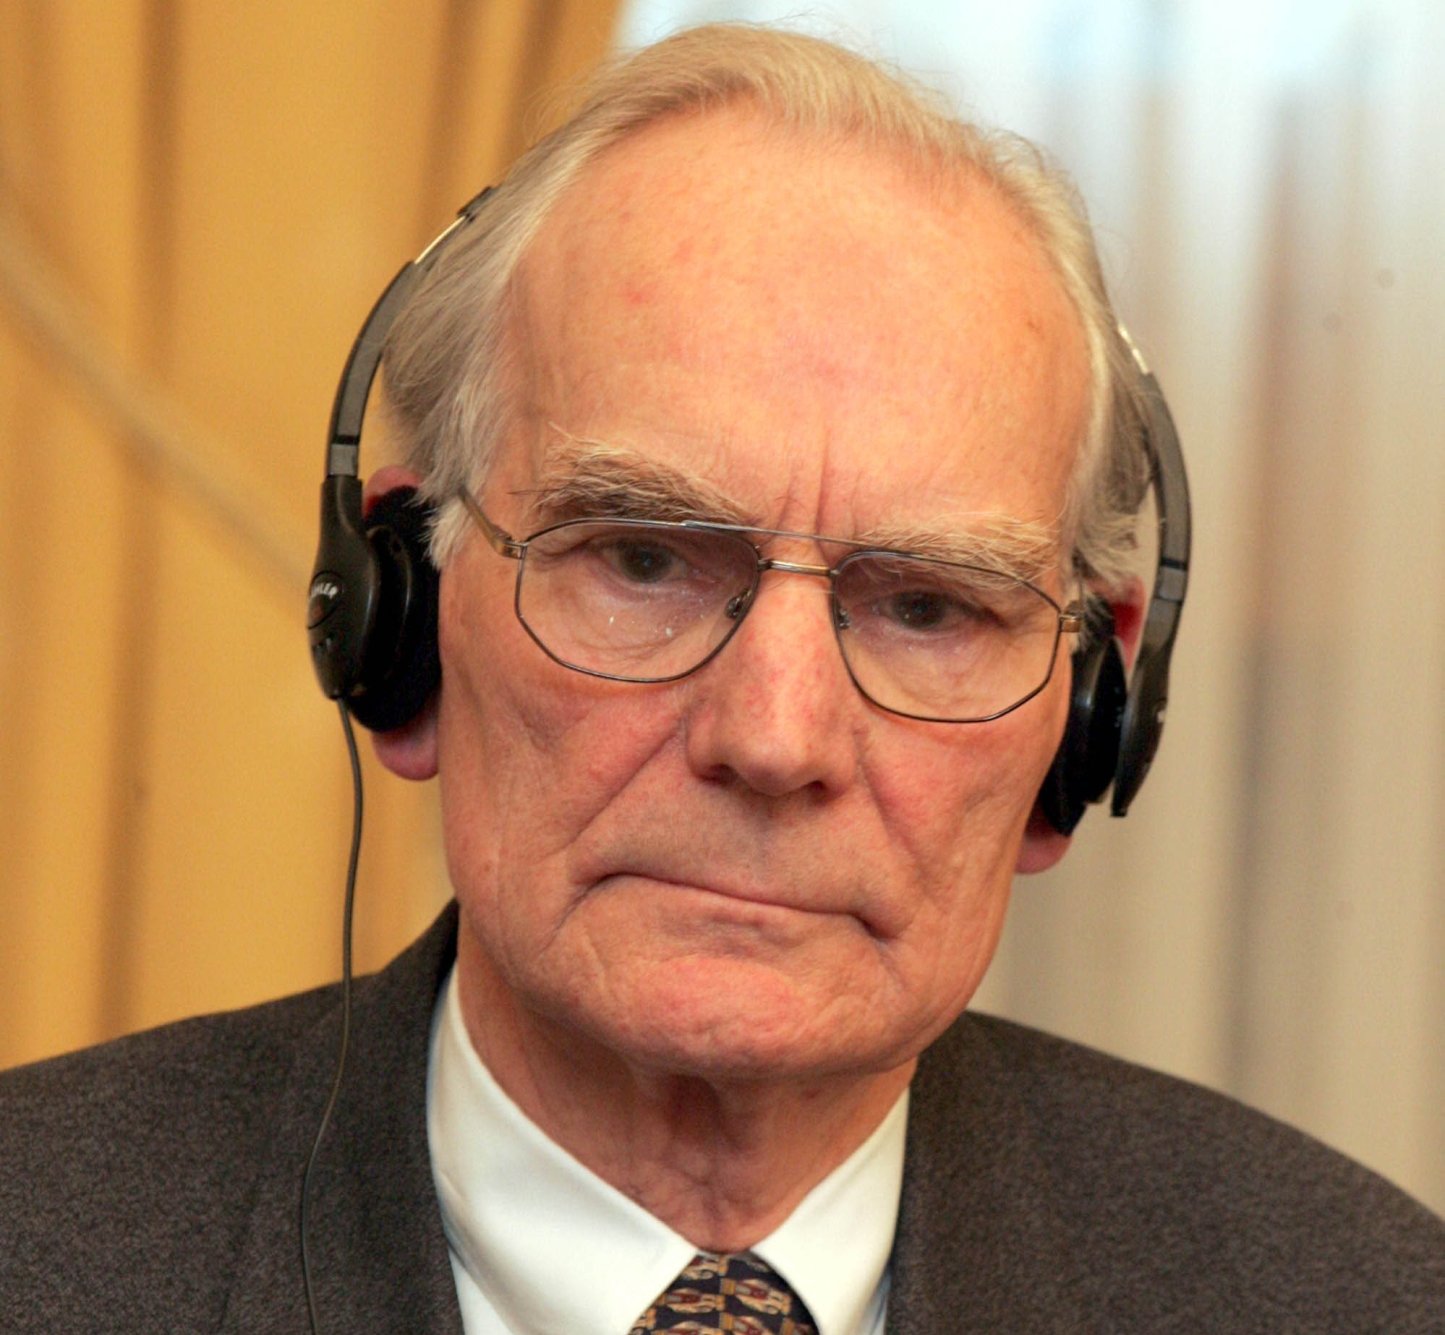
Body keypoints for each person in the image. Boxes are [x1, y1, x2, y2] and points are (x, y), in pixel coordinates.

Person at [2, 23, 1441, 1335]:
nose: (775, 734)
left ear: (1084, 723)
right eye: (640, 561)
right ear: (405, 617)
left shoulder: (1362, 1298)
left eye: (928, 605)